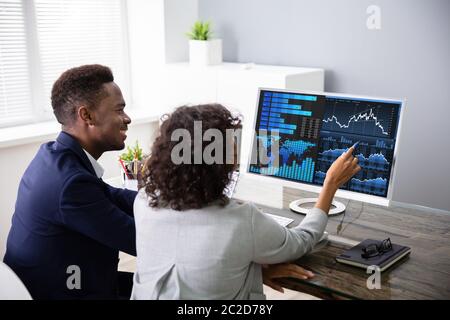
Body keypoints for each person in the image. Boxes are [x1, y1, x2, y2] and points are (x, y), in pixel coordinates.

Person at [131, 104, 361, 299]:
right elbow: (301, 242)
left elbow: (191, 266)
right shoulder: (240, 222)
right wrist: (330, 185)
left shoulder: (142, 203)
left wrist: (249, 270)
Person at [3, 65, 137, 299]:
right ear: (87, 115)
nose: (127, 118)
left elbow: (111, 195)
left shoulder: (55, 155)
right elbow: (140, 240)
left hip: (67, 282)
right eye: (119, 110)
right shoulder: (70, 184)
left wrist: (166, 198)